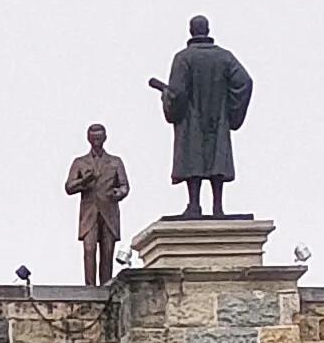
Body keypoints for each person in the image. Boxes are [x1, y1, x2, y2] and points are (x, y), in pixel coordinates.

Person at [151, 16, 249, 215]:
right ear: (208, 29)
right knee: (216, 160)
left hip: (192, 120)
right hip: (217, 120)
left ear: (191, 31)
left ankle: (194, 204)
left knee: (193, 160)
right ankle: (217, 207)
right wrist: (230, 109)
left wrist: (166, 97)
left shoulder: (183, 58)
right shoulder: (225, 57)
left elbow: (177, 93)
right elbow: (245, 81)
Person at [61, 124, 132, 285]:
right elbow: (69, 187)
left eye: (99, 138)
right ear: (89, 139)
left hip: (109, 211)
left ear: (105, 138)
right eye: (94, 138)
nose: (97, 141)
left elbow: (124, 186)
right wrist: (83, 181)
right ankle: (90, 288)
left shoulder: (115, 161)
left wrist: (118, 193)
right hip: (89, 213)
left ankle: (106, 286)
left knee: (107, 252)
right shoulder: (80, 162)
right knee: (89, 249)